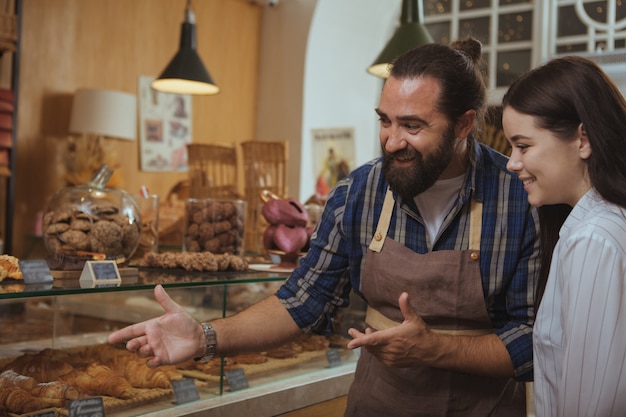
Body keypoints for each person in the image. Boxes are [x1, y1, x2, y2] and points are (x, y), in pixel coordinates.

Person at [108, 37, 540, 416]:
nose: (392, 141)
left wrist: (437, 349)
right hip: (379, 404)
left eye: (412, 126)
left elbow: (533, 341)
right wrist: (204, 337)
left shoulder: (521, 196)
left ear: (464, 124)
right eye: (385, 121)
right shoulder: (360, 192)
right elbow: (304, 302)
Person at [502, 56, 626, 417]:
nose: (511, 162)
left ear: (582, 139)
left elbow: (590, 405)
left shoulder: (593, 240)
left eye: (523, 146)